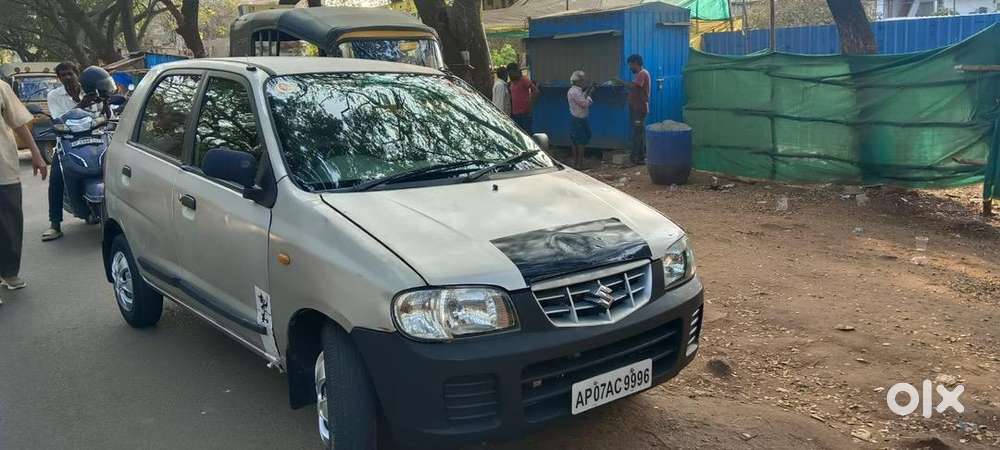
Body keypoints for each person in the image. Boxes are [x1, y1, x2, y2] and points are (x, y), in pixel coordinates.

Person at [0, 78, 48, 294]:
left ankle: (9, 272)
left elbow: (18, 123)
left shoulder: (1, 87)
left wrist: (36, 153)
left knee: (10, 224)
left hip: (3, 167)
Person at [42, 62, 98, 242]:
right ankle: (55, 224)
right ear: (59, 78)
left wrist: (104, 105)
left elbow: (106, 114)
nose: (67, 77)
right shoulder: (54, 95)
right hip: (67, 144)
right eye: (63, 75)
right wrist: (82, 104)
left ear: (77, 74)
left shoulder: (91, 90)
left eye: (70, 74)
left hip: (95, 141)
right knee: (57, 178)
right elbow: (60, 119)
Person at [619, 54, 651, 165]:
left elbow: (634, 86)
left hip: (639, 109)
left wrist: (620, 82)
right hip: (636, 108)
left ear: (636, 63)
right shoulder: (640, 74)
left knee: (637, 133)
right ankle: (641, 158)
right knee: (639, 132)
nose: (630, 67)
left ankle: (634, 159)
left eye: (631, 65)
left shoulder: (642, 74)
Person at [567, 70, 594, 168]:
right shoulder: (575, 91)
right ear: (578, 81)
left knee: (576, 140)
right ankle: (579, 163)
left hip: (577, 118)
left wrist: (588, 90)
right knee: (580, 141)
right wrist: (590, 94)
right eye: (582, 80)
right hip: (579, 118)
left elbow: (582, 97)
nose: (584, 82)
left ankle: (576, 162)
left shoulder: (576, 91)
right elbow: (584, 103)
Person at [506, 62, 538, 133]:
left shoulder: (524, 80)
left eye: (511, 72)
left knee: (527, 134)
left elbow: (535, 91)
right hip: (515, 114)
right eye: (509, 73)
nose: (510, 74)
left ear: (516, 71)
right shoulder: (511, 83)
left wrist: (530, 103)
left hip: (525, 113)